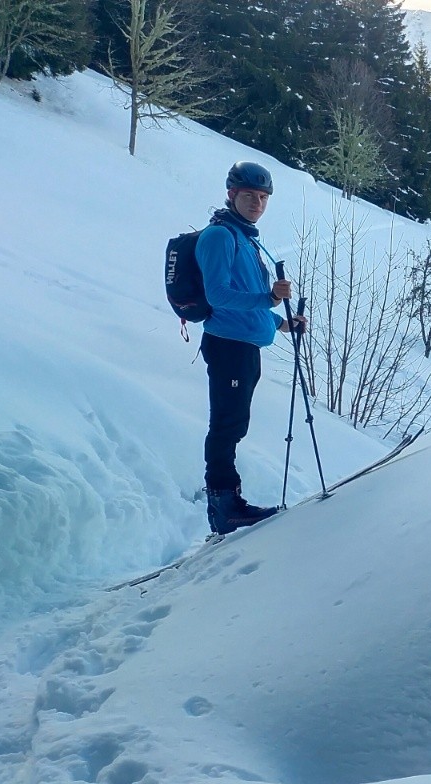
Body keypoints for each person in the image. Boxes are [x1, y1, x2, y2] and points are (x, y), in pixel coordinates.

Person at [196, 161, 307, 535]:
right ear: (232, 195)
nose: (257, 203)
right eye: (250, 196)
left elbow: (249, 297)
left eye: (263, 197)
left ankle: (228, 503)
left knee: (234, 423)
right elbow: (218, 295)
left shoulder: (245, 237)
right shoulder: (220, 237)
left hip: (243, 345)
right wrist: (269, 299)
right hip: (227, 344)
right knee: (226, 425)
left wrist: (280, 322)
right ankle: (224, 507)